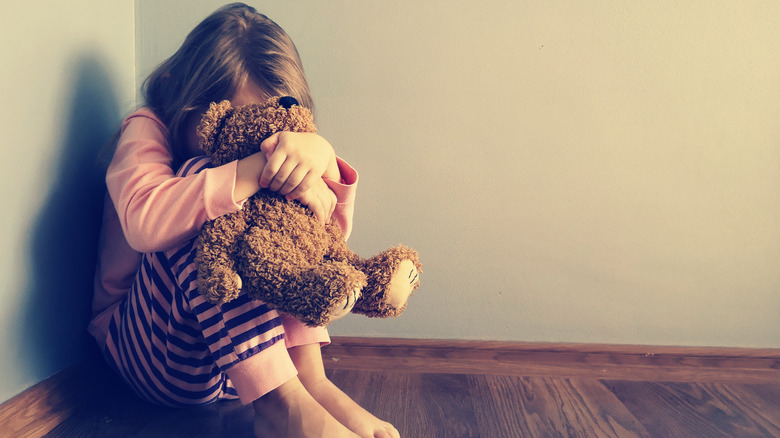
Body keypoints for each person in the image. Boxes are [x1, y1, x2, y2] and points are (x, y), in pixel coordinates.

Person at [88, 3, 400, 437]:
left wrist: (322, 160)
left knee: (275, 224)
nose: (260, 145)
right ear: (177, 94)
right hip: (149, 353)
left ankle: (310, 382)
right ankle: (281, 406)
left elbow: (322, 244)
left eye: (270, 136)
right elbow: (146, 224)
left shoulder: (283, 144)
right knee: (205, 184)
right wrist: (255, 170)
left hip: (240, 368)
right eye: (237, 122)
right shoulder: (147, 126)